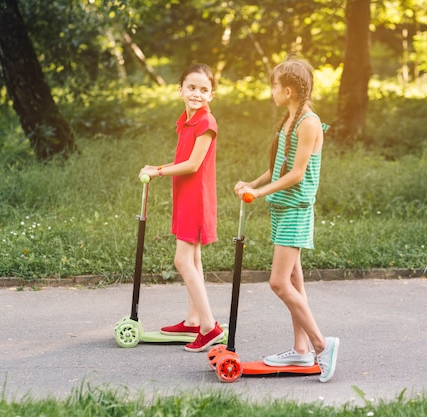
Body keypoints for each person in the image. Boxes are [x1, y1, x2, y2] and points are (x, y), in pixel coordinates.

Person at [233, 56, 339, 382]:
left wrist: (259, 194)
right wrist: (253, 183)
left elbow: (296, 174)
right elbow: (279, 165)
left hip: (295, 209)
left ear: (289, 90)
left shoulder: (308, 122)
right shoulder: (289, 120)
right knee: (294, 283)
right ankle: (302, 350)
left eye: (274, 87)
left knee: (278, 283)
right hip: (282, 209)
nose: (272, 92)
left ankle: (322, 344)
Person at [139, 63, 224, 353]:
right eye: (192, 87)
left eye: (204, 89)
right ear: (180, 90)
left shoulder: (206, 123)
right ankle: (192, 320)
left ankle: (209, 327)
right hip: (186, 196)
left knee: (183, 260)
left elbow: (192, 164)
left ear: (212, 94)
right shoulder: (187, 121)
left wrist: (156, 170)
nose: (197, 94)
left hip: (196, 200)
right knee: (195, 260)